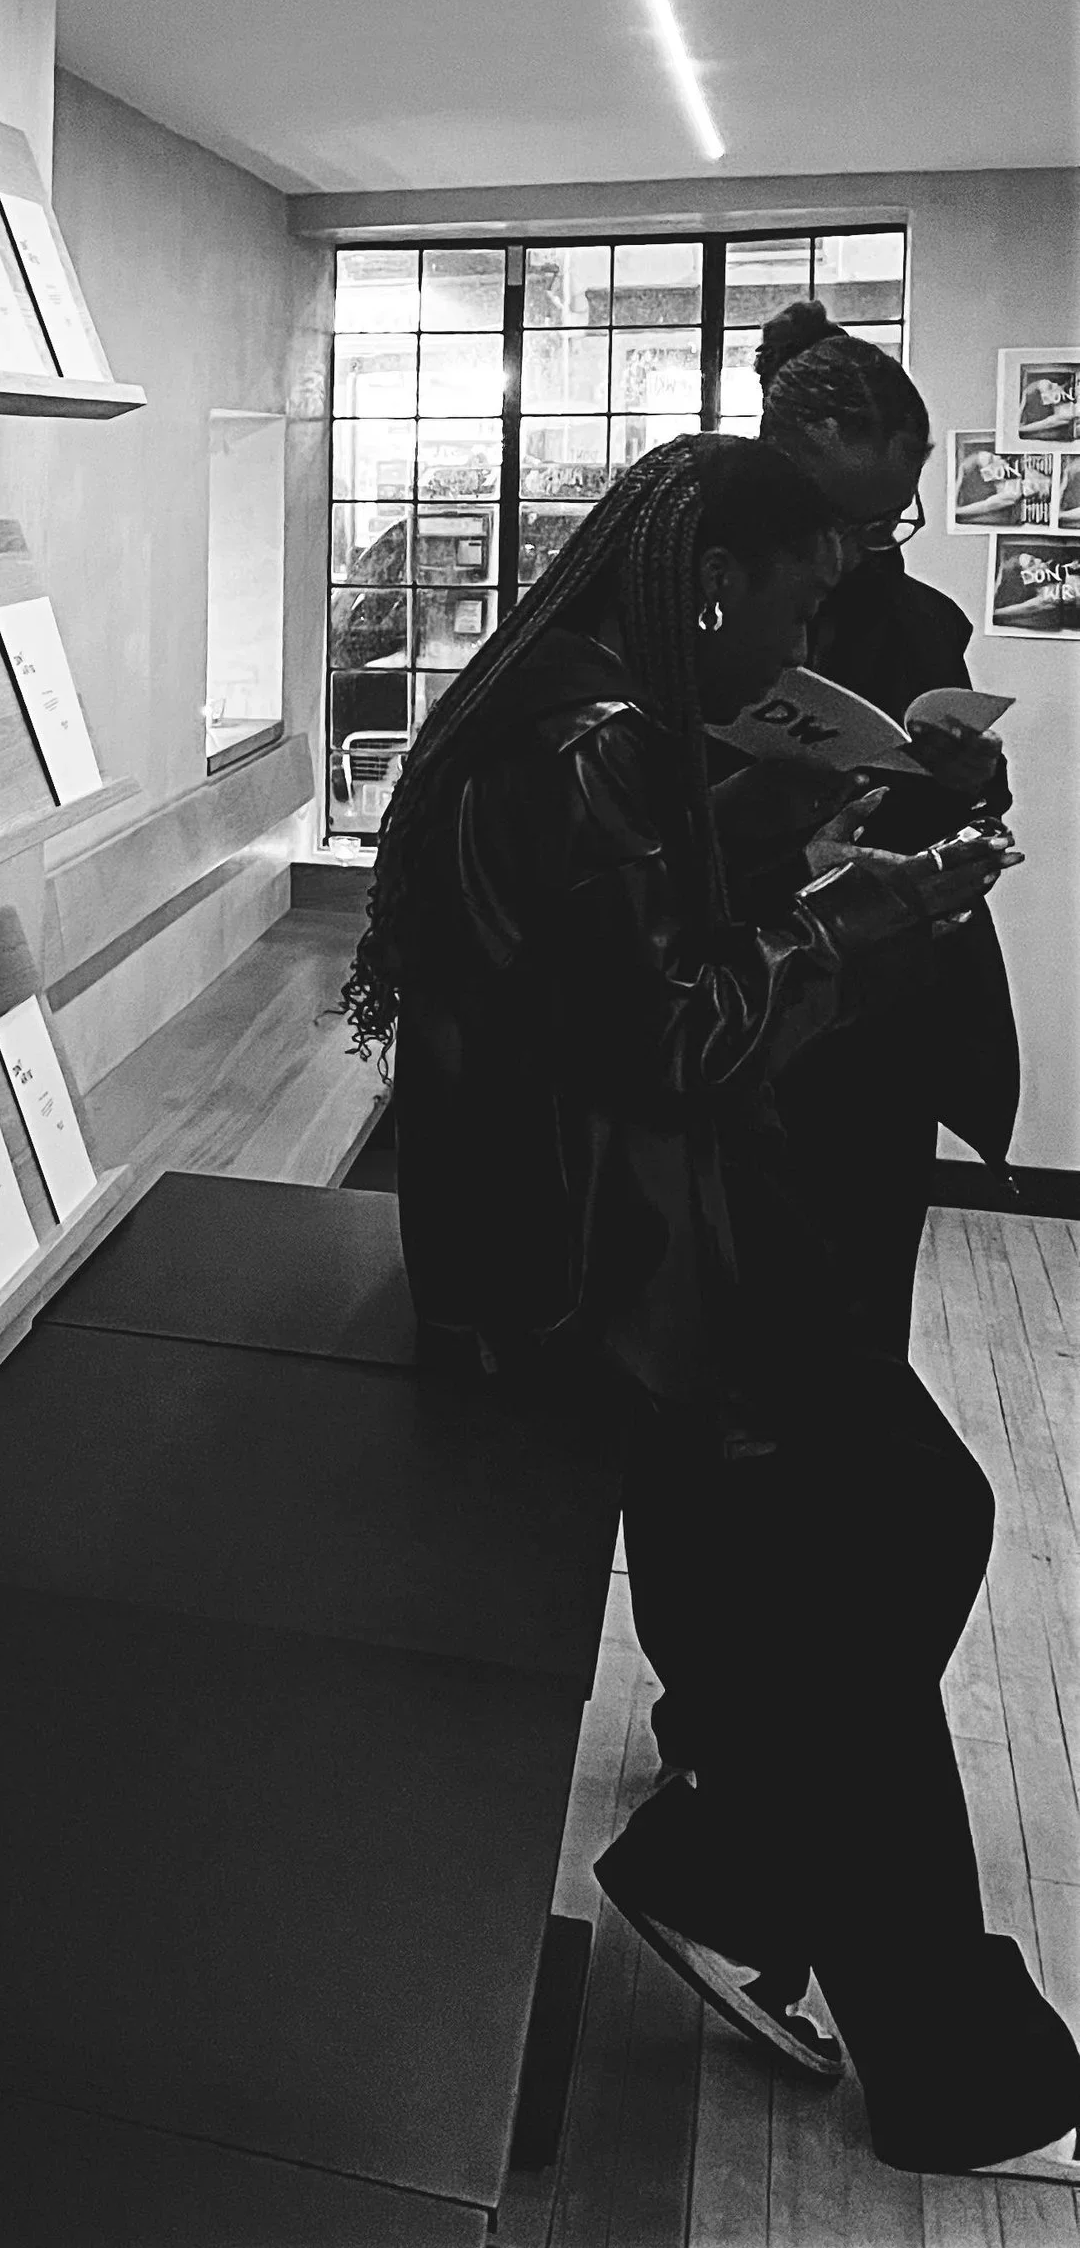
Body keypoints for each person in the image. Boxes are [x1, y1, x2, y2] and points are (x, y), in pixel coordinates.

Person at [343, 432, 1077, 2178]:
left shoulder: (586, 718)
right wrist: (865, 932)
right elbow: (673, 1032)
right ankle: (946, 2059)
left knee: (901, 1532)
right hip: (614, 1277)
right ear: (715, 582)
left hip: (608, 1240)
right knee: (865, 1577)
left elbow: (634, 969)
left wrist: (826, 872)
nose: (808, 649)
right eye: (803, 601)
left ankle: (740, 1862)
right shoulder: (587, 748)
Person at [751, 299, 1021, 1353]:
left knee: (860, 1317)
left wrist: (975, 784)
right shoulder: (695, 617)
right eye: (842, 522)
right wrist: (783, 852)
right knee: (744, 1329)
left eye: (888, 522)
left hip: (881, 1022)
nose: (863, 551)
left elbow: (958, 802)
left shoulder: (914, 623)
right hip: (741, 1021)